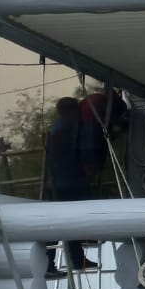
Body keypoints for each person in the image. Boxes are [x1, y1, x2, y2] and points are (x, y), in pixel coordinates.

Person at [42, 97, 96, 273]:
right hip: (70, 181)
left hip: (58, 182)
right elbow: (83, 151)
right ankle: (57, 261)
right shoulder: (73, 128)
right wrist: (88, 168)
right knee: (65, 221)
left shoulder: (58, 128)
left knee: (65, 221)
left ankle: (66, 260)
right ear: (73, 111)